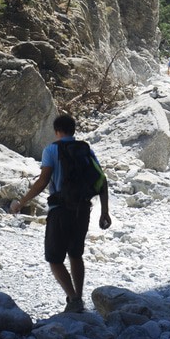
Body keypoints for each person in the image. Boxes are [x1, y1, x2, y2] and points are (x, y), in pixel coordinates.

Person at [10, 114, 111, 313]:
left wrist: (22, 202)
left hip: (60, 210)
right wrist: (105, 212)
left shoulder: (51, 149)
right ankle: (78, 297)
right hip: (83, 210)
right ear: (73, 130)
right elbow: (102, 180)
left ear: (57, 131)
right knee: (75, 254)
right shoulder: (86, 150)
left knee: (54, 258)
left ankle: (73, 300)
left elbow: (43, 180)